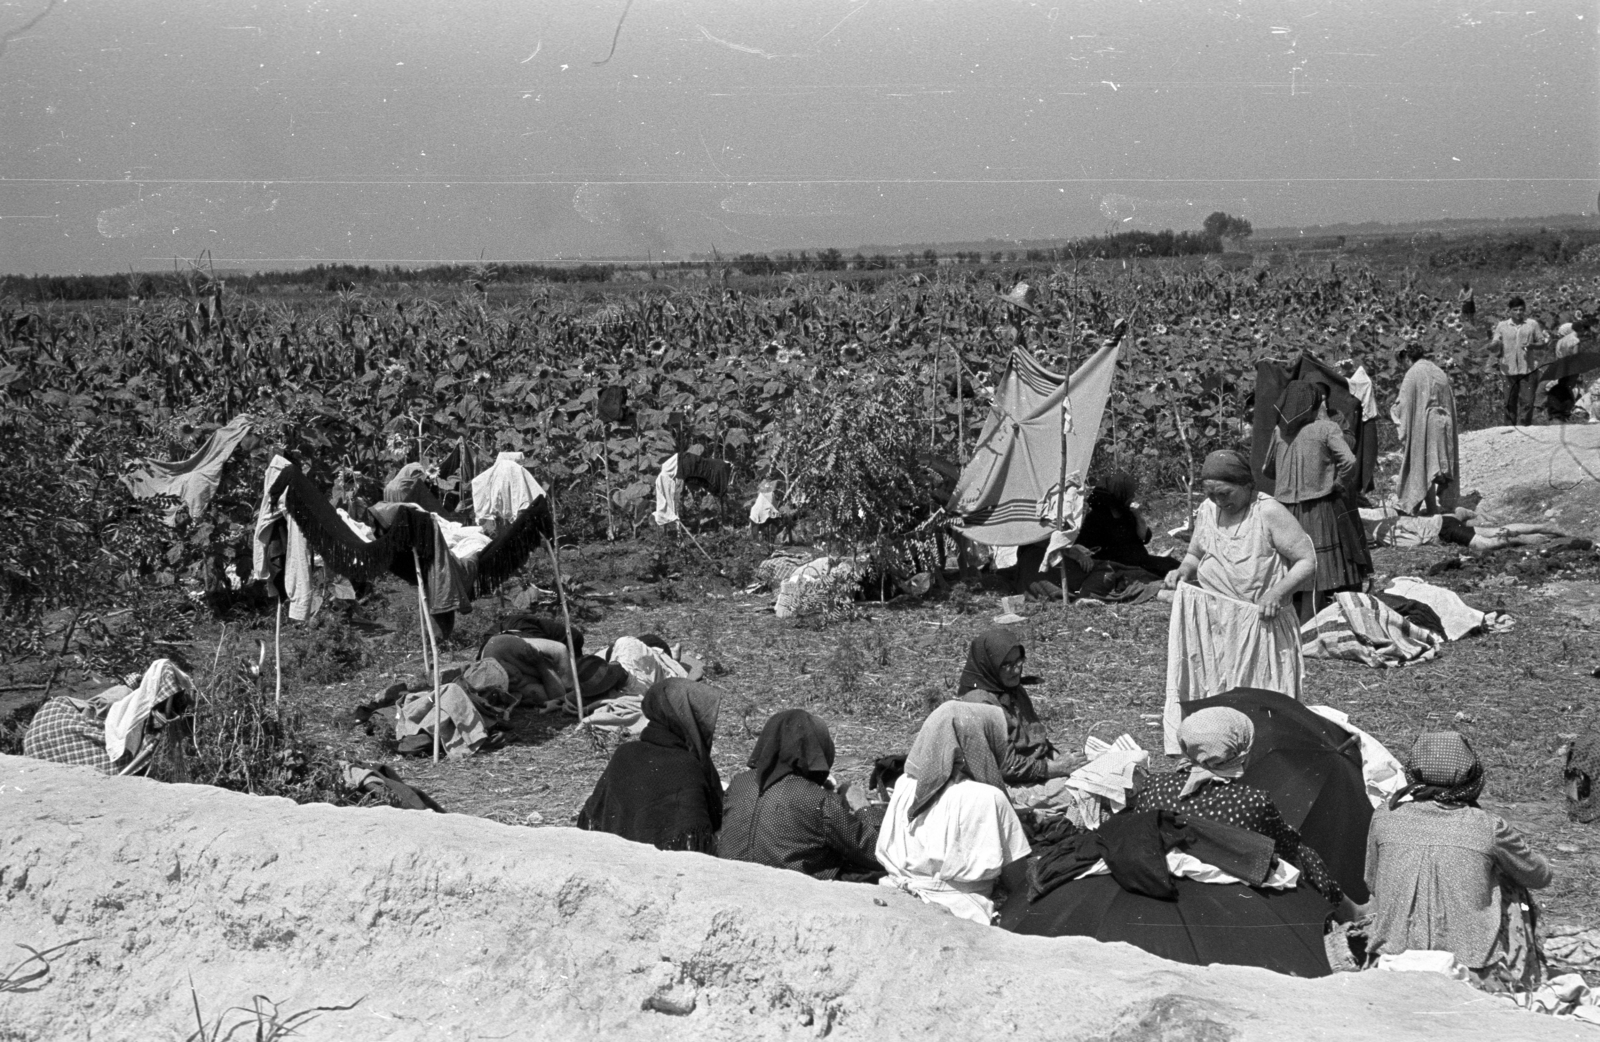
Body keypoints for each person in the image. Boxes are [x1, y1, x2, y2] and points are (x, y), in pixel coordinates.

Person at [1365, 732, 1553, 989]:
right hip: (1469, 964)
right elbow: (1539, 876)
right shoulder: (1488, 826)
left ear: (1413, 771)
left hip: (1393, 956)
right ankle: (1520, 979)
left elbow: (1372, 882)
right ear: (1471, 775)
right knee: (1511, 882)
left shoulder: (1385, 816)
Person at [1162, 450, 1316, 753]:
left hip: (1261, 623)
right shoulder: (1207, 509)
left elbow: (1306, 560)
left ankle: (1263, 750)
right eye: (1212, 494)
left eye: (1225, 493)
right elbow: (1196, 553)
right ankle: (1217, 745)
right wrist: (1182, 569)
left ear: (1247, 485)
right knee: (1218, 685)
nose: (1220, 501)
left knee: (1261, 692)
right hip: (1216, 621)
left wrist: (1277, 592)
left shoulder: (1268, 512)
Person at [1131, 707, 1348, 908]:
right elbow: (1285, 849)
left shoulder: (1155, 786)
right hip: (1232, 891)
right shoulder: (1252, 801)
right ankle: (1343, 910)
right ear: (1241, 753)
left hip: (1169, 881)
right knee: (1304, 854)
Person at [875, 701, 1032, 924]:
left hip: (896, 897)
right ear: (980, 743)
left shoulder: (905, 784)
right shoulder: (988, 799)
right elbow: (1017, 880)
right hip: (958, 913)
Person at [717, 709, 884, 882]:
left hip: (733, 880)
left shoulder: (739, 783)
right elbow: (876, 852)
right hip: (789, 890)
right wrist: (862, 807)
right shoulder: (817, 799)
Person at [1262, 380, 1371, 618]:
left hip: (1285, 508)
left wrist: (1289, 478)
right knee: (1316, 564)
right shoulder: (1325, 428)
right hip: (1318, 505)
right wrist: (1337, 482)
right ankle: (1309, 620)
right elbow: (1350, 461)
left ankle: (1292, 616)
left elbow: (1267, 469)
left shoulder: (1279, 431)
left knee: (1291, 562)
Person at [576, 679, 723, 853]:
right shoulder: (686, 767)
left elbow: (594, 817)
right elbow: (694, 844)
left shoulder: (625, 753)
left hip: (613, 857)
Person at [952, 627, 1079, 786]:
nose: (1017, 670)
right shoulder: (980, 704)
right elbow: (1006, 766)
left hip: (1038, 768)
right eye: (1007, 664)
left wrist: (1057, 756)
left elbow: (1035, 732)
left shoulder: (1013, 689)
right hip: (1010, 784)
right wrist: (1057, 768)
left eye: (1019, 661)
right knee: (1083, 792)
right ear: (989, 665)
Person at [1390, 341, 1460, 516]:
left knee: (1420, 464)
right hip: (1444, 423)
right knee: (1429, 467)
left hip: (1426, 424)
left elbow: (1404, 404)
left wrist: (1394, 412)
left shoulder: (1413, 373)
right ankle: (1432, 509)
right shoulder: (1438, 370)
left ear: (1406, 357)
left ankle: (1411, 505)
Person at [1074, 471, 1179, 576]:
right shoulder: (1096, 518)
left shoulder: (1127, 512)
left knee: (1174, 565)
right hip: (1118, 567)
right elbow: (1081, 546)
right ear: (1118, 493)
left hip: (1140, 561)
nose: (1132, 496)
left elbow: (1144, 538)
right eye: (1128, 493)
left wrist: (1138, 516)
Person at [1488, 296, 1549, 426]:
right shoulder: (1502, 326)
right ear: (1509, 311)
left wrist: (1532, 345)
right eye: (1515, 310)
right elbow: (1495, 342)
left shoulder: (1532, 324)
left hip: (1527, 368)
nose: (1518, 312)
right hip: (1508, 370)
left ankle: (1524, 428)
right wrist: (1493, 346)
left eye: (1521, 310)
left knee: (1527, 401)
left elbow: (1542, 342)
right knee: (1509, 402)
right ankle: (1510, 429)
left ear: (1524, 310)